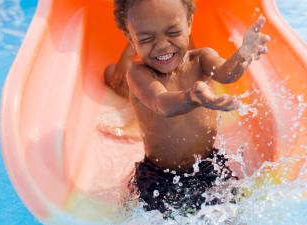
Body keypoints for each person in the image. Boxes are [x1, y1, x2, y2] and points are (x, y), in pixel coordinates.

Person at [104, 0, 270, 216]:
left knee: (234, 214)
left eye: (173, 32)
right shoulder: (138, 74)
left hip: (208, 166)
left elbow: (225, 73)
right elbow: (160, 102)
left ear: (189, 23)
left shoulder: (202, 59)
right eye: (146, 38)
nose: (163, 46)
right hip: (158, 175)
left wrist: (243, 55)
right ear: (130, 38)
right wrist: (192, 97)